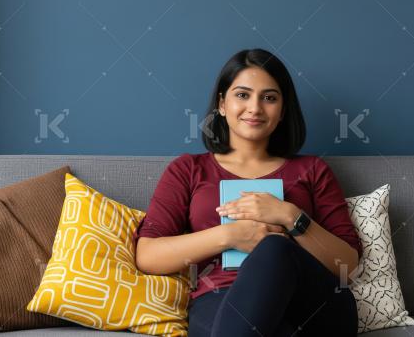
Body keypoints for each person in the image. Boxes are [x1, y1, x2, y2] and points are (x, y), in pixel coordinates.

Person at [133, 48, 362, 336]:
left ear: (282, 110)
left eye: (269, 97)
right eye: (242, 95)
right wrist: (230, 235)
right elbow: (148, 255)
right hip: (219, 297)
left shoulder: (312, 169)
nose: (255, 108)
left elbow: (347, 265)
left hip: (312, 303)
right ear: (222, 103)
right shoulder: (189, 169)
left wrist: (291, 216)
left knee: (276, 248)